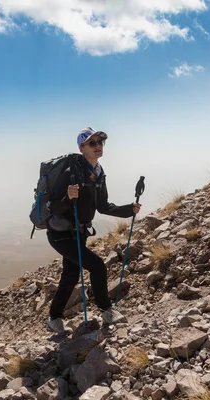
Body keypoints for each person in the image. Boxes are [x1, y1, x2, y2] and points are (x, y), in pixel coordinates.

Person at [45, 127, 141, 334]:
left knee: (70, 275)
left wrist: (128, 210)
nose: (98, 146)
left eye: (100, 142)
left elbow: (103, 206)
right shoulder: (70, 173)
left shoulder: (98, 173)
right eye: (92, 143)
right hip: (60, 234)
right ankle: (107, 311)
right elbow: (53, 208)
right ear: (82, 147)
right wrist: (66, 198)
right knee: (97, 266)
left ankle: (54, 318)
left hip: (78, 233)